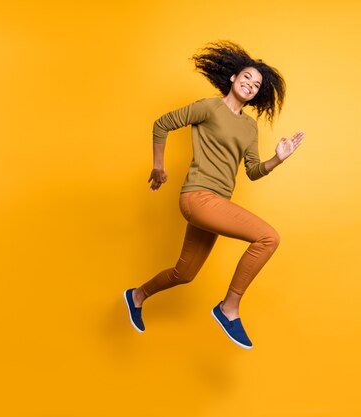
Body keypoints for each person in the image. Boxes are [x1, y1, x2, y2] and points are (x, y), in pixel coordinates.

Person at [123, 41, 304, 349]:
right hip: (198, 198)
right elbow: (162, 124)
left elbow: (252, 170)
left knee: (185, 273)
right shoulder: (210, 107)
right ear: (233, 78)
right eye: (246, 77)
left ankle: (137, 295)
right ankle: (228, 308)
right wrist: (158, 167)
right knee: (268, 238)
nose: (250, 84)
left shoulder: (249, 127)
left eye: (256, 84)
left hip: (218, 204)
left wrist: (278, 158)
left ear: (257, 93)